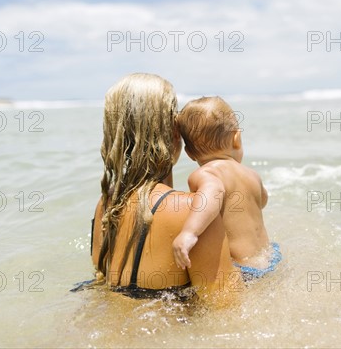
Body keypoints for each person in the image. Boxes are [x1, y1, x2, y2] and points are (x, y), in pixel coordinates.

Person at [90, 74, 243, 304]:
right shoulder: (193, 212)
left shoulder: (106, 206)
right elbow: (228, 309)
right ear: (173, 131)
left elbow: (100, 283)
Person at [172, 96, 282, 280]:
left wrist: (189, 232)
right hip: (270, 257)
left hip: (244, 269)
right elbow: (262, 201)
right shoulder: (251, 174)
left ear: (189, 153)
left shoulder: (207, 174)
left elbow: (212, 193)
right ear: (236, 139)